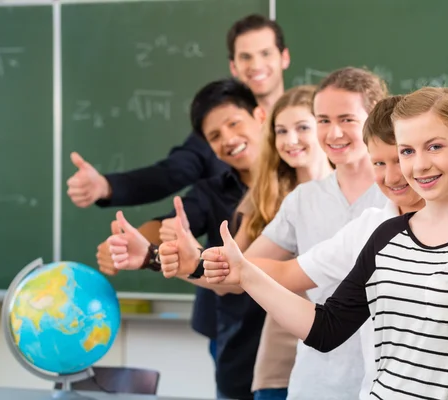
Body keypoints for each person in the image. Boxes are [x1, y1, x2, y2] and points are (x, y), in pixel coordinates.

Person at [201, 86, 448, 400]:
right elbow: (326, 328)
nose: (419, 164)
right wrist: (247, 274)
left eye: (434, 146)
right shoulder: (386, 234)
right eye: (407, 150)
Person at [67, 13, 290, 374]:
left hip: (303, 314)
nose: (228, 139)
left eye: (264, 53)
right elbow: (173, 188)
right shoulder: (214, 139)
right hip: (234, 322)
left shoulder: (311, 138)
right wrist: (126, 222)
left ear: (284, 58)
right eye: (245, 57)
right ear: (234, 65)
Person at [184, 67, 389, 399]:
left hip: (385, 380)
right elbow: (246, 270)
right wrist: (184, 260)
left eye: (346, 119)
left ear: (375, 116)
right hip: (316, 380)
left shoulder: (399, 198)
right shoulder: (303, 200)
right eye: (323, 120)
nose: (333, 132)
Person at [161, 85, 332, 400]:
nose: (291, 140)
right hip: (283, 360)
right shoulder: (274, 200)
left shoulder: (363, 191)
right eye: (281, 131)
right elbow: (237, 273)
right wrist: (180, 262)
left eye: (303, 127)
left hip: (348, 356)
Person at [106, 77, 268, 400]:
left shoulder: (299, 183)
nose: (229, 139)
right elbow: (172, 225)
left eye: (235, 123)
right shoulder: (211, 191)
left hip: (298, 345)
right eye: (215, 136)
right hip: (238, 346)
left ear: (259, 116)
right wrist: (146, 249)